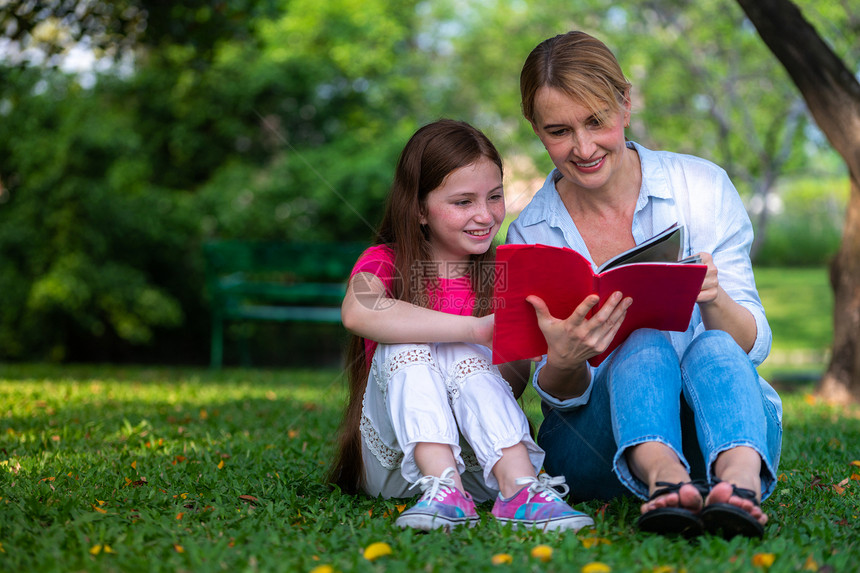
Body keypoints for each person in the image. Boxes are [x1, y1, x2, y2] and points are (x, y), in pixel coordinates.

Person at [505, 31, 782, 539]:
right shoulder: (532, 231)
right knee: (645, 340)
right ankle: (665, 480)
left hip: (725, 428)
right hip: (600, 444)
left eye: (596, 121)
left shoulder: (701, 187)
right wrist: (565, 361)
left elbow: (751, 345)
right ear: (536, 129)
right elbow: (556, 393)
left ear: (625, 104)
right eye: (559, 130)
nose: (584, 148)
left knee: (717, 343)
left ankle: (741, 485)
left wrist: (713, 297)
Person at [327, 119, 594, 533]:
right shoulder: (386, 260)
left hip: (481, 465)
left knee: (457, 350)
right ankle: (442, 487)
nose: (485, 215)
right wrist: (472, 330)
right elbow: (358, 312)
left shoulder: (504, 273)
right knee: (416, 337)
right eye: (463, 202)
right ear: (418, 209)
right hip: (396, 466)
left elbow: (512, 386)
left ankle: (521, 488)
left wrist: (533, 345)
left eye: (495, 197)